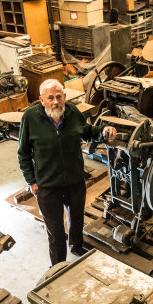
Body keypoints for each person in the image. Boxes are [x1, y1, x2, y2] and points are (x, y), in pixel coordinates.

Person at [17, 79, 117, 265]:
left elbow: (88, 131)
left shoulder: (71, 112)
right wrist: (31, 181)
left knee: (77, 219)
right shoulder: (30, 117)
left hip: (74, 181)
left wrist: (105, 129)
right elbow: (23, 153)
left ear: (64, 97)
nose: (56, 102)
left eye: (59, 97)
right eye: (50, 98)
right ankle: (58, 266)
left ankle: (76, 245)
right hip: (47, 185)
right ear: (41, 100)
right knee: (54, 231)